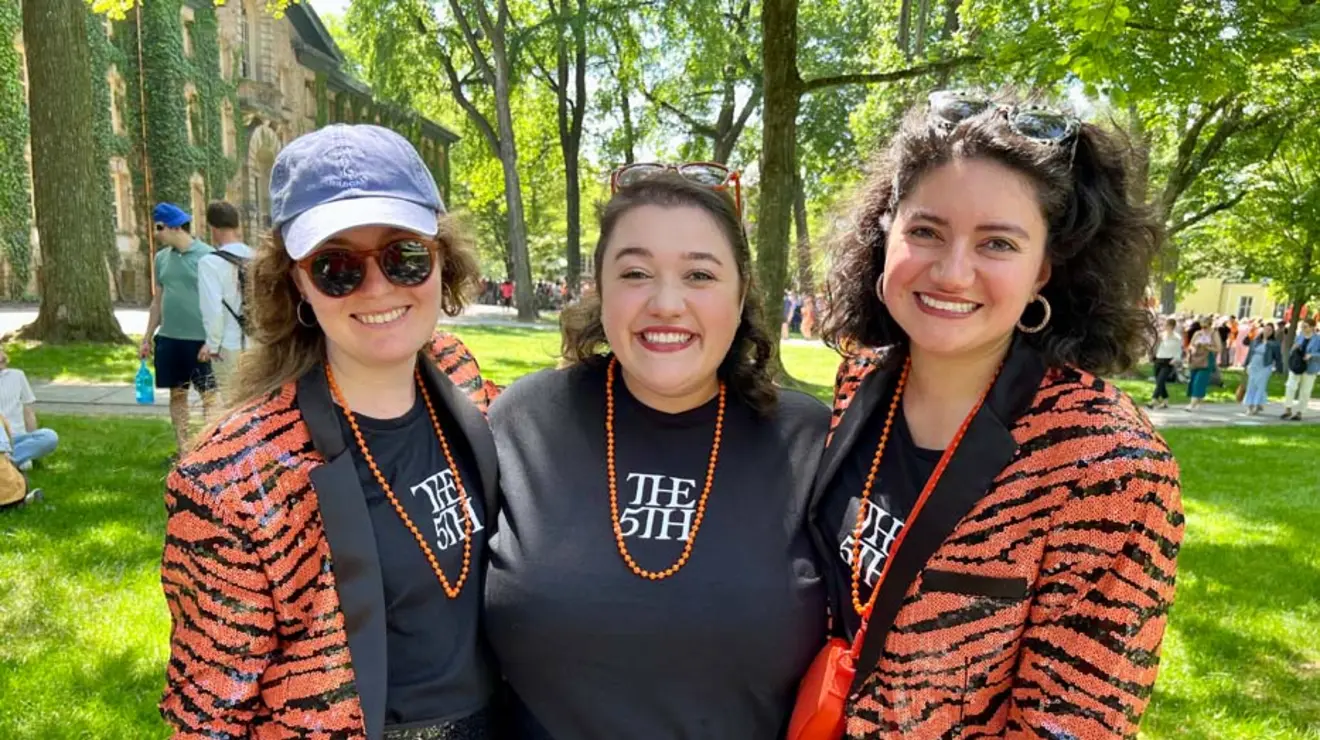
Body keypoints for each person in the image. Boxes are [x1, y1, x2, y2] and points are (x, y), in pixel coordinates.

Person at [813, 91, 1183, 738]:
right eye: (926, 231)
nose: (953, 272)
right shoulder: (861, 379)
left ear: (1044, 269)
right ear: (886, 230)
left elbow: (1073, 725)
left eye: (998, 244)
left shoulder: (1107, 465)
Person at [159, 124, 500, 739]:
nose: (377, 287)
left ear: (442, 259)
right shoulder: (236, 482)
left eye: (405, 255)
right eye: (336, 266)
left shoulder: (458, 374)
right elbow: (208, 719)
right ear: (298, 285)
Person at [485, 170, 831, 739]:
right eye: (636, 273)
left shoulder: (811, 444)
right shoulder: (525, 421)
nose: (666, 303)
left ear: (741, 293)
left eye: (699, 274)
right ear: (600, 287)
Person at [141, 202, 218, 458]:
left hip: (199, 341)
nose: (156, 233)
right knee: (177, 394)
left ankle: (209, 450)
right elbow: (157, 301)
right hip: (170, 339)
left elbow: (218, 302)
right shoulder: (161, 258)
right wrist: (147, 337)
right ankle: (184, 449)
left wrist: (212, 340)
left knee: (209, 396)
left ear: (175, 227)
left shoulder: (208, 256)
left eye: (159, 227)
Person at [198, 200, 254, 391]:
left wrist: (212, 345)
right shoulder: (255, 257)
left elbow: (213, 310)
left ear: (213, 228)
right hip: (258, 342)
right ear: (236, 225)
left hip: (228, 345)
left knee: (232, 407)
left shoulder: (209, 263)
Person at [0, 348, 57, 470]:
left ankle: (7, 462)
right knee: (26, 465)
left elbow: (28, 411)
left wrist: (32, 441)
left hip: (16, 439)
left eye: (2, 352)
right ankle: (12, 463)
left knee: (49, 436)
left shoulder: (17, 375)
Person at [1282, 318, 1320, 420]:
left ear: (1312, 327)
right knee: (1290, 386)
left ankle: (1299, 412)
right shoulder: (1299, 337)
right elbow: (1292, 351)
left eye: (1305, 326)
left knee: (1305, 390)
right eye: (1302, 326)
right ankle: (1288, 408)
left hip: (1310, 368)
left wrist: (1312, 355)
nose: (1303, 328)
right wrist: (1294, 348)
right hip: (1296, 365)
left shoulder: (1318, 339)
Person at [1243, 323, 1283, 415]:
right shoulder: (1256, 341)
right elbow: (1250, 353)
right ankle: (1250, 406)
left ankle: (1256, 406)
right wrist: (1246, 365)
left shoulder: (1274, 344)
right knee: (1251, 385)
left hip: (1265, 366)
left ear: (1272, 332)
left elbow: (1278, 357)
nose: (1267, 331)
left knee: (1261, 386)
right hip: (1254, 365)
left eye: (1270, 330)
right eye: (1266, 329)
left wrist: (1279, 368)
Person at [1150, 317, 1181, 409]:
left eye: (1166, 325)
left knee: (1160, 381)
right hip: (1159, 359)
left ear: (1172, 326)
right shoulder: (1161, 336)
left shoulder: (1177, 338)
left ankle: (1153, 401)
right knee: (1159, 382)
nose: (1165, 326)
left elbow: (1178, 351)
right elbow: (1155, 346)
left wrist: (1176, 359)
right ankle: (1165, 400)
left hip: (1169, 361)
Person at [1186, 320, 1215, 409]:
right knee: (1193, 380)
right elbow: (1190, 345)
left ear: (1210, 326)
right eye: (1202, 326)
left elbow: (1218, 349)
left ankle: (1192, 404)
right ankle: (1199, 400)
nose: (1203, 329)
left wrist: (1207, 347)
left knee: (1199, 381)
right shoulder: (1197, 333)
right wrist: (1193, 347)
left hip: (1206, 359)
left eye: (1205, 327)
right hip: (1196, 358)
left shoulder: (1214, 335)